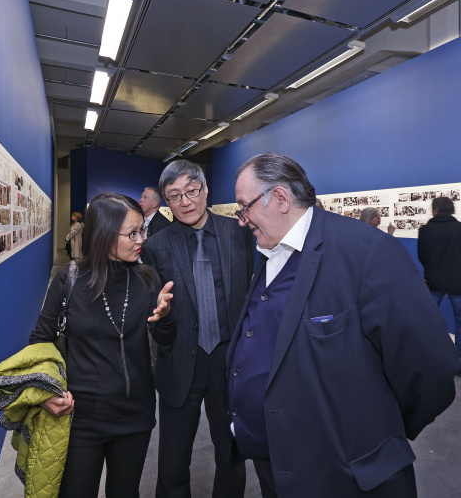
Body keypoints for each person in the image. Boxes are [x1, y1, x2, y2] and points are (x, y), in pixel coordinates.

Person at [228, 152, 457, 497]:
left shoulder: (367, 250)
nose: (242, 220)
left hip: (347, 476)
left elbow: (432, 366)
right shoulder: (269, 252)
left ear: (279, 198)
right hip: (278, 468)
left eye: (244, 207)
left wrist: (379, 434)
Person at [30, 192, 175, 498]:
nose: (140, 240)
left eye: (142, 231)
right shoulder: (68, 280)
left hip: (135, 415)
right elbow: (40, 342)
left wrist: (163, 318)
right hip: (81, 417)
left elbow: (165, 339)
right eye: (132, 233)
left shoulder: (147, 279)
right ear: (106, 235)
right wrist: (44, 393)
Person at [141, 159, 253, 498]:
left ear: (205, 190)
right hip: (178, 360)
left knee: (231, 452)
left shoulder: (239, 233)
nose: (186, 201)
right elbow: (156, 318)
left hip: (228, 360)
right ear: (166, 201)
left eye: (192, 191)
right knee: (173, 458)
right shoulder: (156, 246)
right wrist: (159, 319)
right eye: (175, 196)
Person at [418, 196, 461, 375]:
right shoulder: (459, 228)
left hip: (434, 282)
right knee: (460, 322)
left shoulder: (426, 230)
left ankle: (430, 357)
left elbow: (422, 256)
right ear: (451, 209)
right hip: (458, 283)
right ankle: (459, 364)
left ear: (434, 209)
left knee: (428, 320)